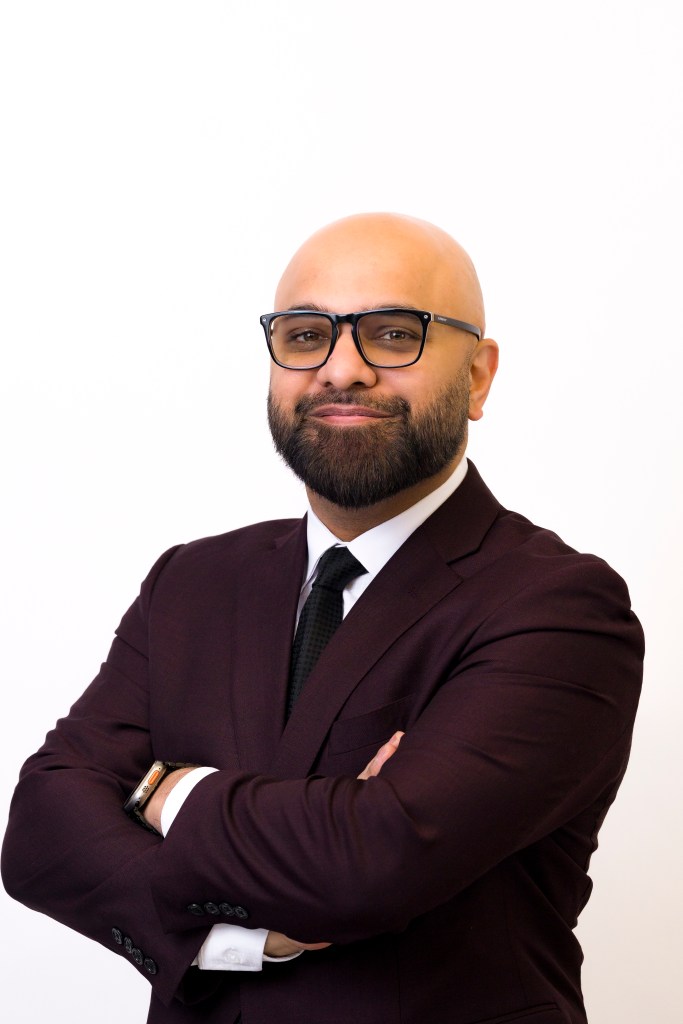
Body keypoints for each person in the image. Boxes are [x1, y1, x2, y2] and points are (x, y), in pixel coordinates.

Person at [2, 213, 644, 1024]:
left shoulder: (559, 607)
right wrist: (237, 939)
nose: (342, 370)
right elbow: (41, 834)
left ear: (478, 377)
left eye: (393, 334)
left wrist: (171, 791)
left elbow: (372, 862)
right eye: (305, 336)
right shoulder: (191, 582)